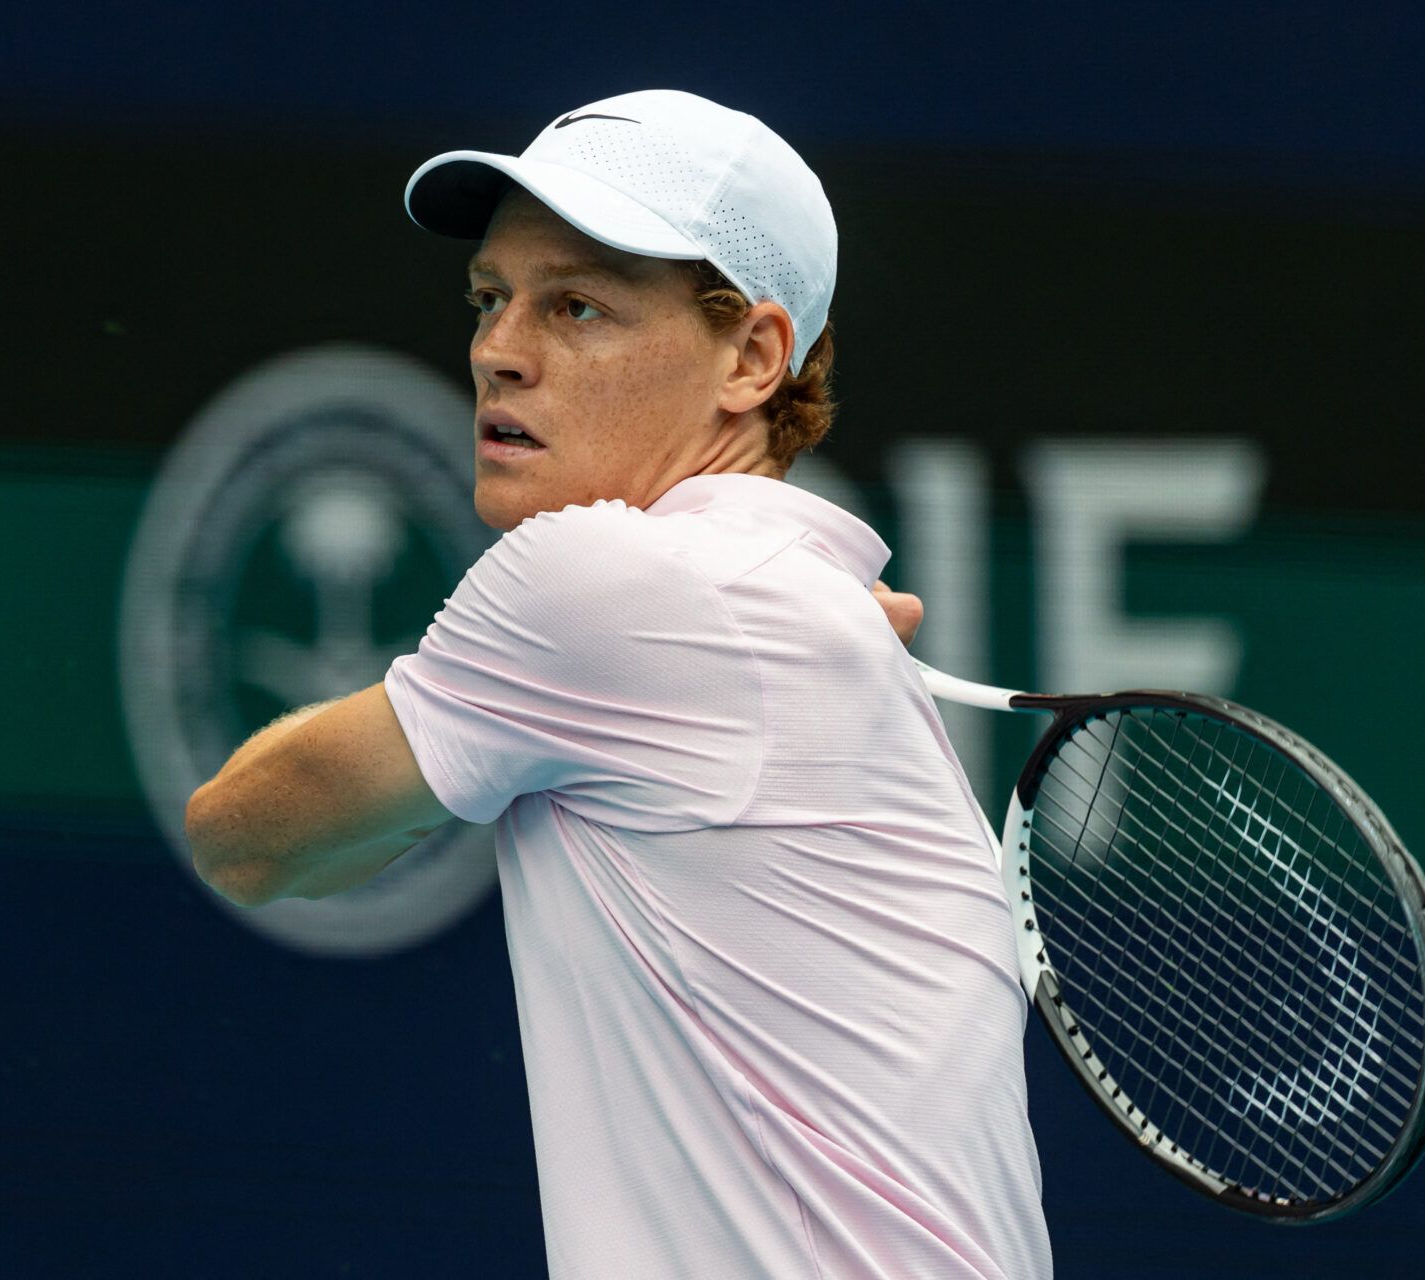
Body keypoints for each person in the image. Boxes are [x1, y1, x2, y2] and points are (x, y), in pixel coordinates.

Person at [186, 90, 1051, 1280]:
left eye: (576, 304)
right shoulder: (778, 604)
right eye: (490, 298)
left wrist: (489, 710)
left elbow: (247, 837)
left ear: (750, 356)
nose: (498, 348)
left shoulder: (609, 585)